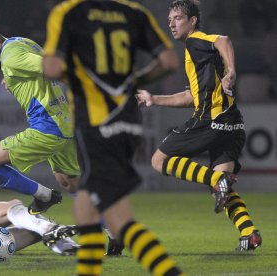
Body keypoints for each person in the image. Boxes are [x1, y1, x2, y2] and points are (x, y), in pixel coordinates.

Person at [43, 1, 184, 275]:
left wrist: (80, 78)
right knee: (95, 209)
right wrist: (137, 78)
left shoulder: (69, 12)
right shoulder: (135, 12)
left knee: (105, 214)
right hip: (129, 122)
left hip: (96, 123)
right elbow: (169, 61)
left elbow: (50, 68)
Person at [135, 0, 262, 251]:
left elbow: (224, 40)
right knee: (220, 192)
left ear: (192, 21)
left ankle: (215, 179)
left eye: (178, 18)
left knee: (158, 161)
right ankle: (249, 234)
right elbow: (193, 97)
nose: (171, 23)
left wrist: (233, 72)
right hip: (234, 125)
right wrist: (155, 99)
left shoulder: (196, 41)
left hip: (211, 121)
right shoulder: (198, 53)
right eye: (170, 19)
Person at [0, 20, 80, 214]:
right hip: (64, 124)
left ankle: (45, 196)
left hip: (47, 127)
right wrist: (11, 78)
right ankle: (114, 230)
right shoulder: (22, 42)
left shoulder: (10, 57)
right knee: (70, 184)